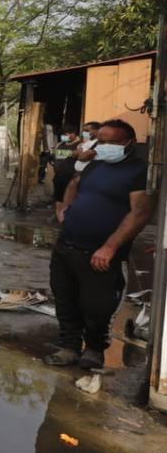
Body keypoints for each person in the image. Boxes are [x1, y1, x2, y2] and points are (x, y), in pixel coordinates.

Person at [45, 119, 150, 370]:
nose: (104, 147)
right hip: (67, 245)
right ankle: (69, 346)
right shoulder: (94, 165)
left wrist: (110, 247)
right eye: (101, 141)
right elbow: (73, 184)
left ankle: (94, 349)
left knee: (97, 306)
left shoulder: (138, 171)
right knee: (65, 298)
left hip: (100, 252)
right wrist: (64, 210)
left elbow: (140, 213)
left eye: (111, 142)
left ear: (129, 143)